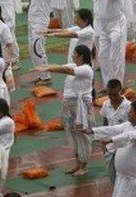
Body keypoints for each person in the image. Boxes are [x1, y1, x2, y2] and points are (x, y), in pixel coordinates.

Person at [34, 44, 95, 176]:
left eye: (74, 54)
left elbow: (66, 71)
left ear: (81, 56)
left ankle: (84, 166)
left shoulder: (86, 69)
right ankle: (78, 163)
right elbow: (63, 67)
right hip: (69, 104)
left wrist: (48, 68)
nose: (72, 55)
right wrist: (47, 66)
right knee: (71, 134)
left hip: (80, 107)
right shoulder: (75, 66)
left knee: (82, 135)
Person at [91, 100, 136, 197]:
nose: (128, 114)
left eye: (130, 112)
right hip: (123, 178)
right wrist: (92, 131)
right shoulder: (128, 125)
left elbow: (129, 136)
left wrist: (111, 140)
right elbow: (112, 129)